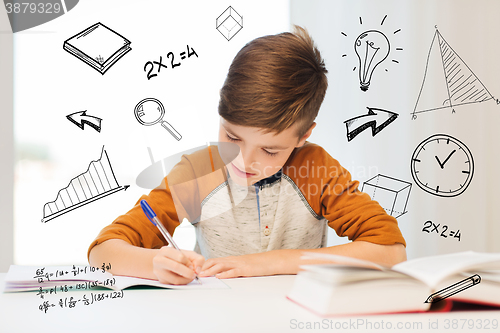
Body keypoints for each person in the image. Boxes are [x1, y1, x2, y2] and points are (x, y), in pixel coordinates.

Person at [88, 26, 406, 285]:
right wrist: (153, 262)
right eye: (232, 136)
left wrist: (268, 263)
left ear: (303, 135)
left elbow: (391, 251)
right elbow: (102, 252)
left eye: (269, 150)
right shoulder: (199, 170)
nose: (243, 160)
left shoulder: (316, 169)